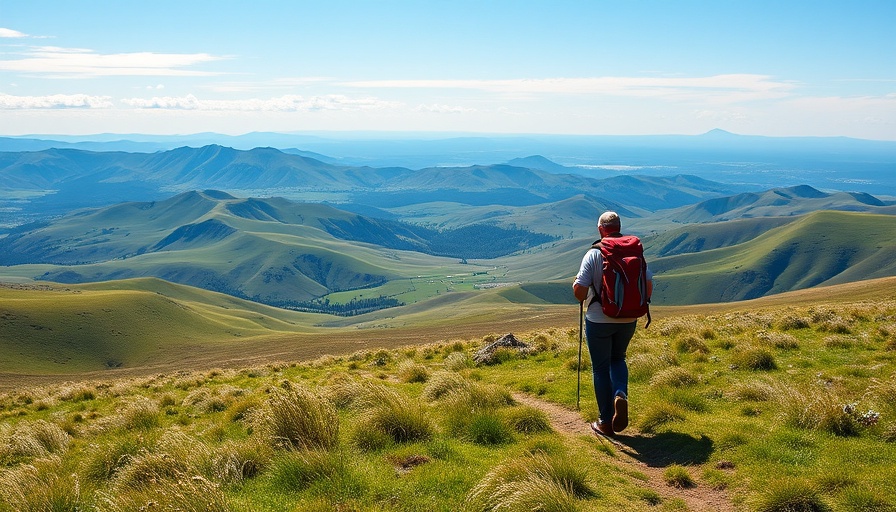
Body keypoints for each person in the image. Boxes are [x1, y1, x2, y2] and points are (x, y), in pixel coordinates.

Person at [572, 211, 653, 437]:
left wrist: (576, 287)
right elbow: (648, 286)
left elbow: (579, 293)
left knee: (600, 368)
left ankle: (605, 422)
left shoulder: (594, 253)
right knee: (618, 358)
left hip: (599, 319)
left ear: (601, 230)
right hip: (629, 318)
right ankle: (620, 394)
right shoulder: (635, 250)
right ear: (619, 226)